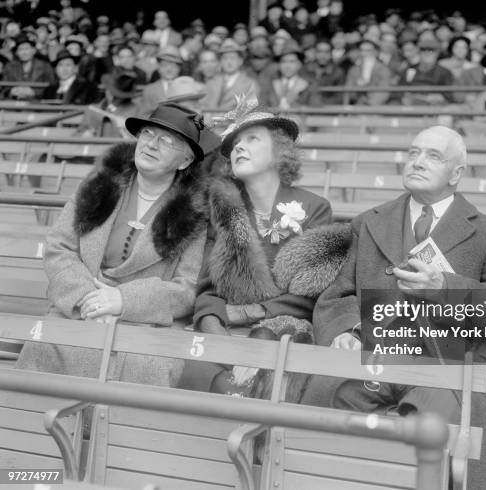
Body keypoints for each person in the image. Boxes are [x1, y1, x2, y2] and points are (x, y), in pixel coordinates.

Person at [311, 125, 486, 490]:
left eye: (433, 155)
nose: (418, 161)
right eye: (413, 153)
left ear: (456, 174)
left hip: (449, 366)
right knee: (322, 404)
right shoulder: (370, 222)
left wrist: (444, 287)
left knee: (438, 427)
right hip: (375, 356)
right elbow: (338, 295)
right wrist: (345, 331)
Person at [16, 103, 215, 387]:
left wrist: (123, 301)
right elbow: (59, 248)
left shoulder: (195, 211)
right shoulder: (99, 185)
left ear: (184, 162)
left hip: (146, 323)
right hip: (81, 310)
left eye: (168, 141)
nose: (152, 144)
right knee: (44, 345)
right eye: (148, 133)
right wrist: (91, 302)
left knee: (146, 365)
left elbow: (188, 287)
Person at [180, 100, 350, 401]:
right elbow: (206, 289)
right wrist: (217, 332)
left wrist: (248, 313)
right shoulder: (220, 206)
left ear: (279, 152)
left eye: (252, 139)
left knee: (277, 369)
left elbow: (309, 294)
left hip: (284, 331)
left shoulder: (314, 207)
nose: (238, 148)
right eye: (234, 145)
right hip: (225, 332)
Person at [259, 39, 321, 108]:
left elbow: (315, 108)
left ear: (299, 64)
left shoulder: (310, 83)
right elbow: (262, 106)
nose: (287, 66)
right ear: (279, 64)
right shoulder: (269, 83)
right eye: (284, 61)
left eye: (292, 61)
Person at [201, 39, 259, 110]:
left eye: (232, 58)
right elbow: (203, 106)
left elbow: (251, 110)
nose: (229, 62)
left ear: (240, 61)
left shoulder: (250, 84)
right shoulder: (211, 82)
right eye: (225, 58)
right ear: (220, 62)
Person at [2, 33, 55, 99]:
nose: (24, 52)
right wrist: (11, 91)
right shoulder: (9, 66)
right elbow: (3, 87)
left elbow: (52, 87)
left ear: (33, 50)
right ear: (17, 53)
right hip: (14, 103)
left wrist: (34, 92)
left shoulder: (45, 66)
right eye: (20, 49)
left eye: (27, 49)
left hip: (37, 104)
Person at [345, 36, 392, 105]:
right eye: (361, 50)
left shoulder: (383, 69)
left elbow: (384, 91)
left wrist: (369, 103)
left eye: (368, 50)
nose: (363, 53)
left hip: (375, 108)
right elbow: (348, 91)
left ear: (376, 52)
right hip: (357, 106)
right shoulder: (354, 69)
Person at [138, 46, 183, 116]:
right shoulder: (149, 90)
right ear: (158, 67)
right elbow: (143, 115)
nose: (169, 69)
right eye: (164, 65)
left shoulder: (187, 88)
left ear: (179, 68)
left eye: (173, 66)